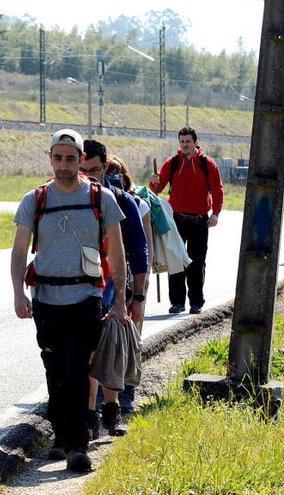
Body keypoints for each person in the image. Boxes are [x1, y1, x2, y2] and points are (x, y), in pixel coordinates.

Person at [11, 129, 127, 472]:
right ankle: (61, 437)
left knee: (78, 370)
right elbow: (19, 251)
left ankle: (77, 447)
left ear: (81, 160)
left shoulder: (101, 198)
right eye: (58, 158)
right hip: (46, 299)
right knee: (55, 371)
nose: (64, 165)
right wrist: (18, 292)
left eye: (71, 158)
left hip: (86, 296)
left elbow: (117, 251)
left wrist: (120, 298)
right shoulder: (35, 200)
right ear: (50, 158)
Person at [80, 141, 149, 435]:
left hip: (116, 289)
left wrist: (138, 298)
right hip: (82, 289)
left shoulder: (122, 201)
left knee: (111, 351)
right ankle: (90, 416)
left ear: (106, 166)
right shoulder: (69, 197)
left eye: (93, 170)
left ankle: (113, 409)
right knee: (87, 352)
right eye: (82, 170)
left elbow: (139, 251)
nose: (87, 176)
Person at [149, 127, 224, 315]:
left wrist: (215, 213)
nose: (184, 145)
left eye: (188, 141)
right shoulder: (172, 163)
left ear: (195, 142)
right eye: (182, 141)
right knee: (175, 261)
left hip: (200, 221)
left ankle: (196, 302)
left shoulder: (207, 164)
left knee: (197, 263)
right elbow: (157, 187)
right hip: (175, 220)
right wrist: (154, 181)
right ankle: (177, 303)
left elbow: (217, 190)